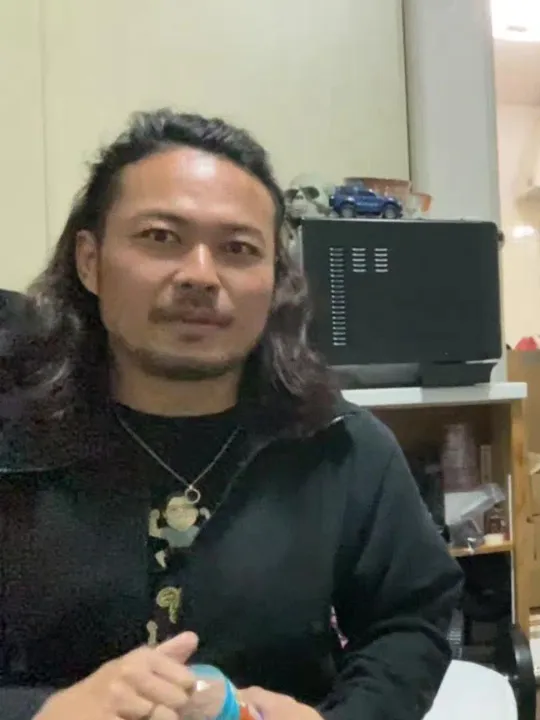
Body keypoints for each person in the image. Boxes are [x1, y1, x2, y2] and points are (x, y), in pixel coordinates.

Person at [0, 110, 463, 720]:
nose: (200, 275)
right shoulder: (17, 436)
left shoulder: (339, 445)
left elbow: (410, 622)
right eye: (160, 237)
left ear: (274, 281)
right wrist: (43, 712)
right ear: (91, 261)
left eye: (238, 249)